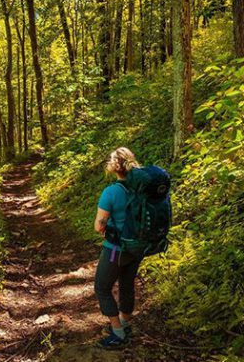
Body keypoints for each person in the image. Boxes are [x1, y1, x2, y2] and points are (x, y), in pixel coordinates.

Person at [94, 147, 143, 349]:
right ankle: (124, 323)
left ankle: (118, 333)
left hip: (115, 248)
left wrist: (104, 226)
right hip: (138, 247)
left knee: (102, 287)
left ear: (114, 167)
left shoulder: (111, 192)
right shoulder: (142, 189)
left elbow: (99, 225)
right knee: (127, 284)